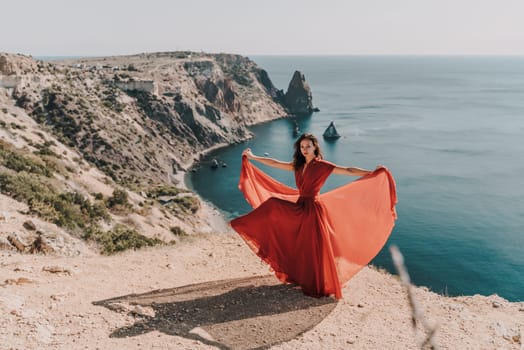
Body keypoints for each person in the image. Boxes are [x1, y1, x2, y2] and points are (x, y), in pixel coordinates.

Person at [230, 133, 397, 299]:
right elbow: (274, 162)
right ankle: (299, 275)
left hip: (312, 210)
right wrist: (253, 157)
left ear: (315, 147)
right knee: (295, 236)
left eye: (308, 146)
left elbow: (347, 170)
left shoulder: (322, 166)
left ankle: (316, 283)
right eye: (302, 147)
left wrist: (372, 172)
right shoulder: (299, 165)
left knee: (311, 246)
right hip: (300, 206)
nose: (304, 149)